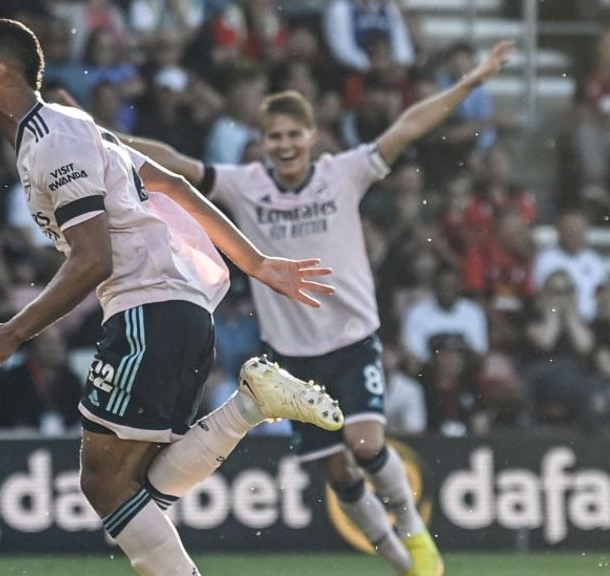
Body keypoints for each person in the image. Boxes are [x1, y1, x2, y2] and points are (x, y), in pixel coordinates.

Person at [0, 19, 342, 576]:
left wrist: (10, 334)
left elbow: (92, 259)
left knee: (103, 482)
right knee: (134, 488)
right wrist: (255, 264)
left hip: (146, 313)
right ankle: (252, 405)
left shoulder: (51, 139)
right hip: (176, 312)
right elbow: (173, 186)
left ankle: (251, 408)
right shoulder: (69, 128)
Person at [117, 38, 514, 576]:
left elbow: (410, 127)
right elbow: (176, 165)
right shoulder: (246, 185)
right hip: (291, 357)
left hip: (351, 340)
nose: (284, 145)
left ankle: (417, 537)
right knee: (341, 476)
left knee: (365, 442)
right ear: (262, 141)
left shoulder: (343, 173)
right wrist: (103, 140)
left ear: (313, 137)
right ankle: (405, 564)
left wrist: (469, 83)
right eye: (274, 136)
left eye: (293, 135)